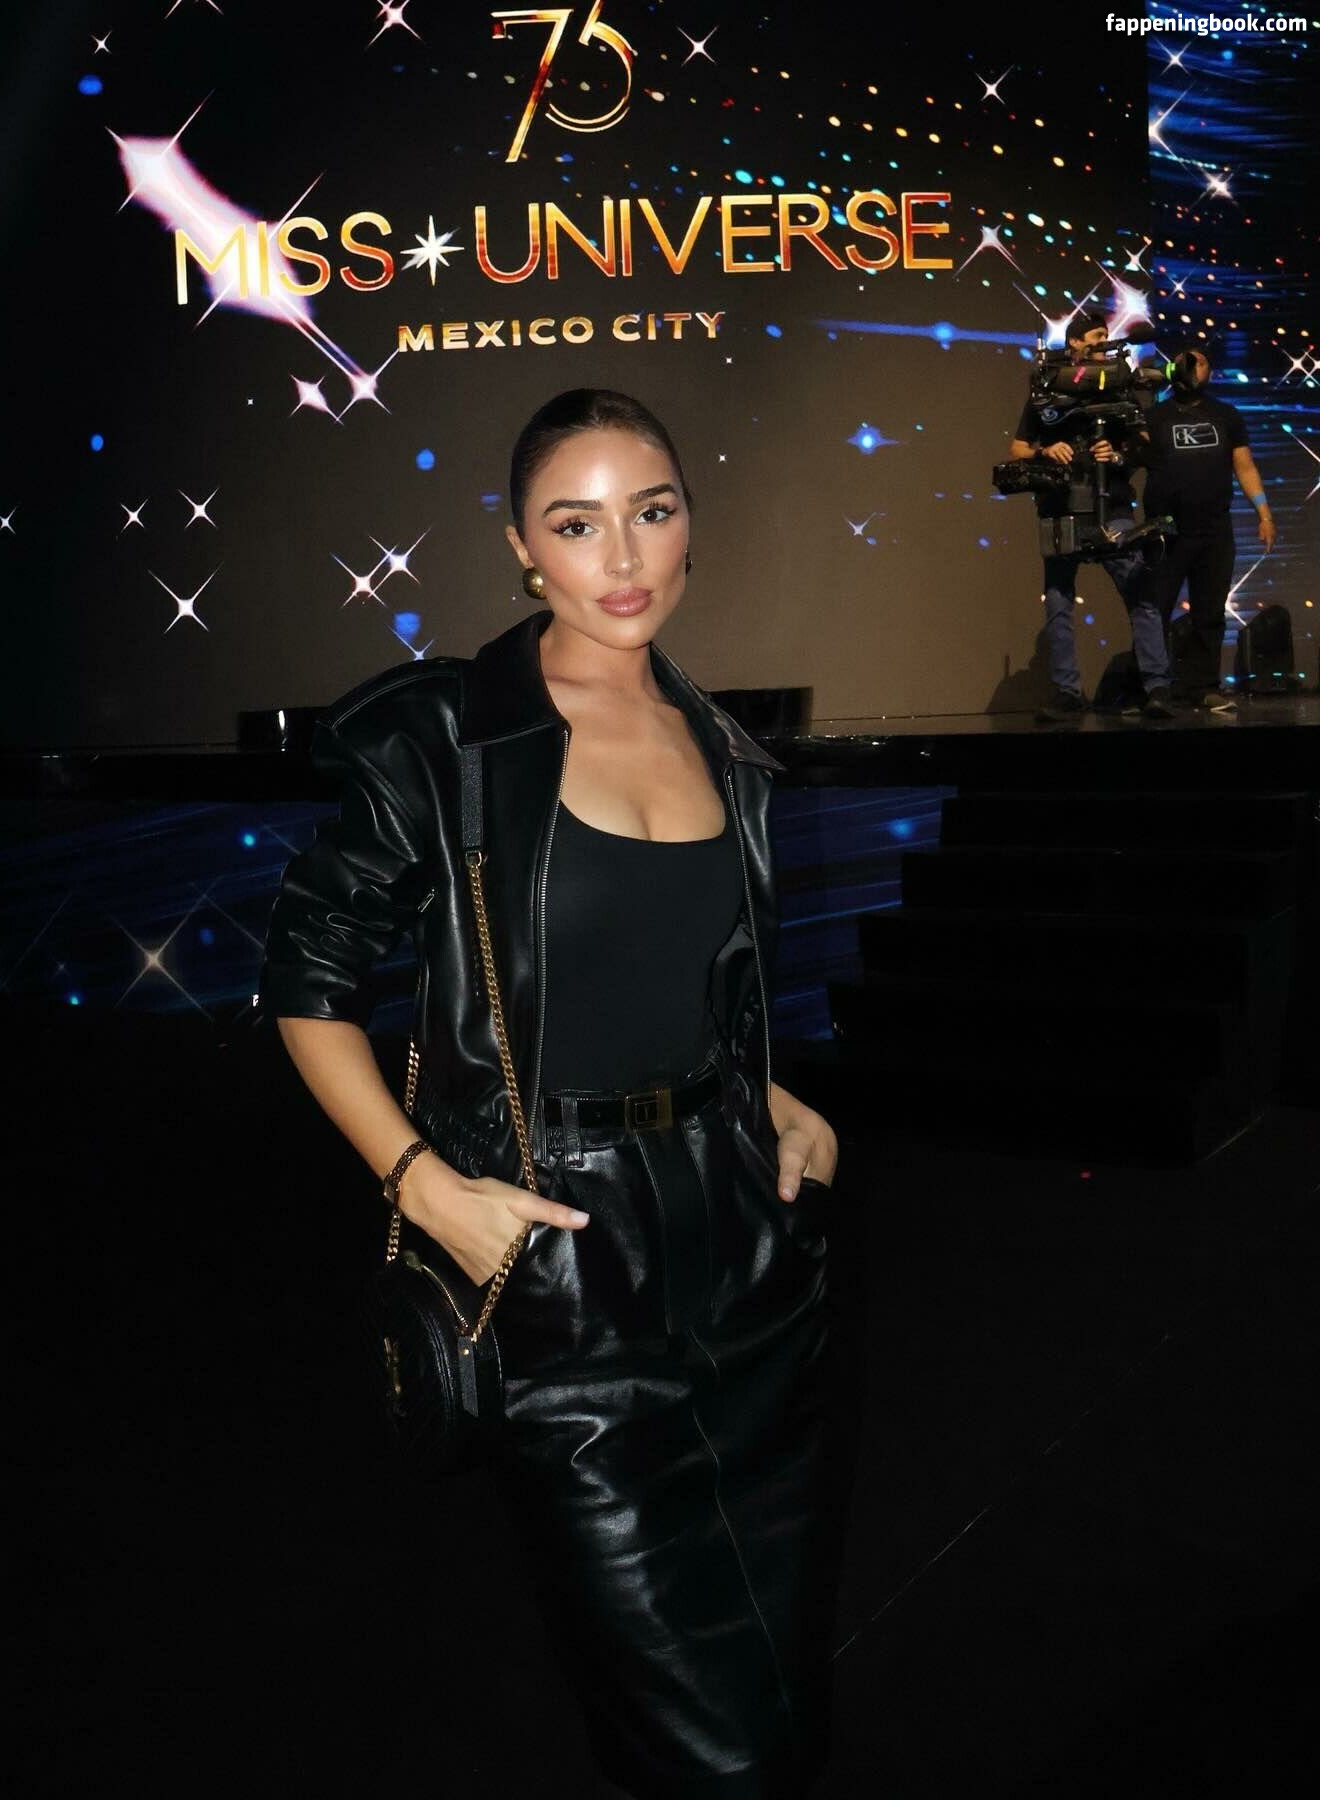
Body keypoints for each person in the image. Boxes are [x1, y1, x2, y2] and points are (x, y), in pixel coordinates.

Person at [260, 388, 845, 1799]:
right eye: (576, 525)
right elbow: (305, 983)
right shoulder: (448, 737)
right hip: (563, 1265)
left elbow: (693, 979)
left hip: (745, 1254)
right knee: (700, 1729)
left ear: (690, 523)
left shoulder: (727, 748)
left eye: (652, 511)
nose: (622, 557)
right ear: (523, 550)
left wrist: (772, 1098)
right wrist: (423, 1186)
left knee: (775, 1678)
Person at [1007, 311, 1175, 722]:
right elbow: (1018, 448)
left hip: (1112, 507)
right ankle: (1067, 692)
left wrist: (1117, 454)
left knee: (1139, 593)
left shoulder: (1119, 386)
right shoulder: (1047, 388)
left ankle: (1157, 686)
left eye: (1106, 335)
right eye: (1097, 336)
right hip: (1060, 508)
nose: (1103, 342)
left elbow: (1146, 447)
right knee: (1058, 601)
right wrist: (1047, 450)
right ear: (1076, 342)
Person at [1137, 340, 1276, 709]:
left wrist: (1264, 513)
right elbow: (1130, 457)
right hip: (1166, 530)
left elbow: (1244, 466)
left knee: (1210, 611)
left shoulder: (1226, 415)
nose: (1190, 367)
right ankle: (1153, 688)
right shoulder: (1154, 417)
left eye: (1197, 362)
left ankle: (1203, 686)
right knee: (1154, 609)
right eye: (1184, 361)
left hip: (1214, 528)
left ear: (1209, 372)